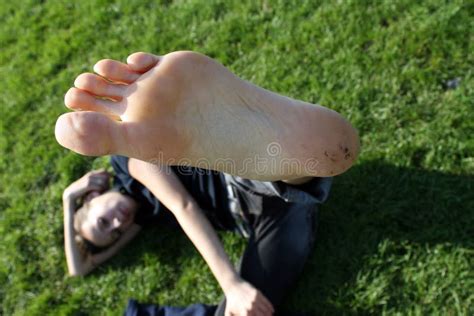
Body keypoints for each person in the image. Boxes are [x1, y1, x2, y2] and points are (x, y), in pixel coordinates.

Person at [59, 51, 359, 315]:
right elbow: (80, 268)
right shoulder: (140, 219)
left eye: (103, 221)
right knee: (248, 309)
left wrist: (231, 284)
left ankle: (282, 162)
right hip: (260, 217)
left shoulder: (128, 160)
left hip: (238, 180)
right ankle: (295, 166)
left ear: (93, 196)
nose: (116, 224)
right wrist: (68, 199)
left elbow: (183, 205)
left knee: (265, 181)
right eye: (113, 233)